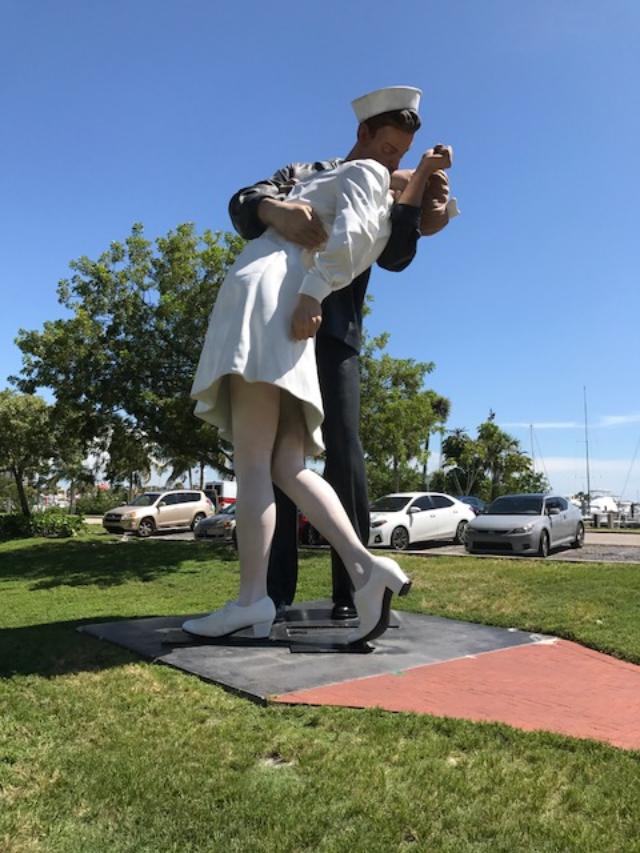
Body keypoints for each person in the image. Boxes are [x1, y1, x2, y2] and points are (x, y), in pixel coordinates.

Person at [183, 87, 452, 644]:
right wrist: (273, 208)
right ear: (364, 135)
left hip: (293, 313)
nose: (393, 164)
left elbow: (385, 247)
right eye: (388, 150)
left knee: (278, 463)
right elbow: (246, 201)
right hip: (291, 311)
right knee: (285, 466)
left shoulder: (372, 183)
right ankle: (344, 574)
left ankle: (269, 597)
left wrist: (424, 197)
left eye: (403, 159)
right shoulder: (314, 172)